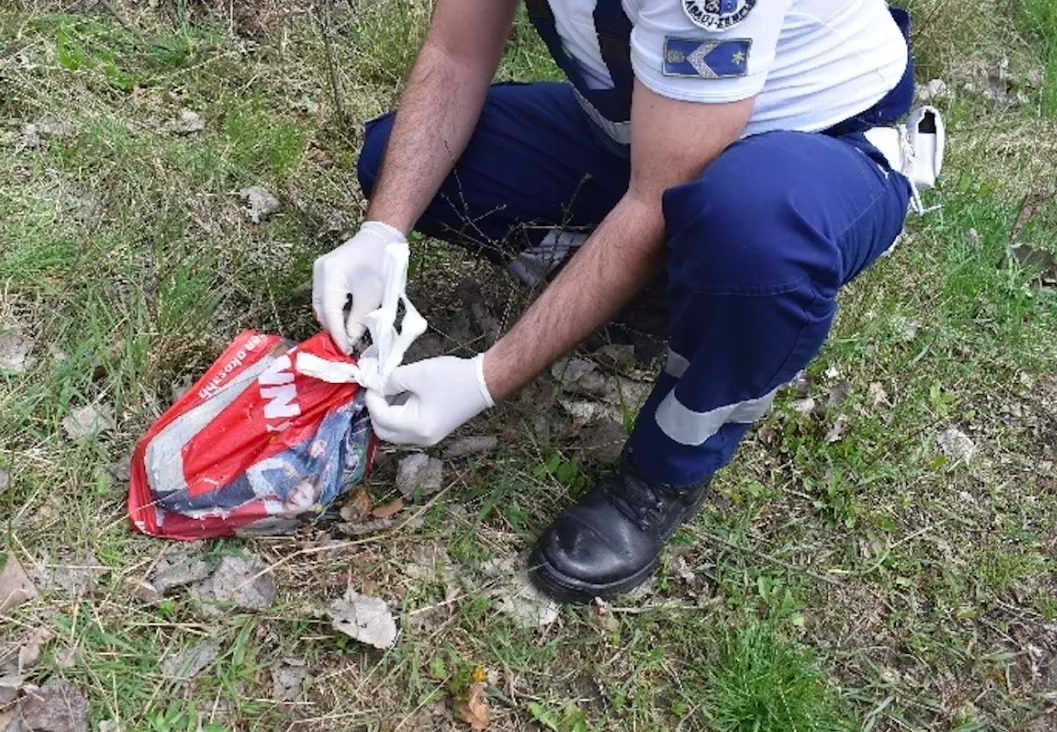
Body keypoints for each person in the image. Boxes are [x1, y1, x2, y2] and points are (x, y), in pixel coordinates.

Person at [311, 0, 945, 603]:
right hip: (659, 125)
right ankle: (661, 287)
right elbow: (455, 56)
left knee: (754, 240)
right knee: (403, 160)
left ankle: (665, 470)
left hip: (813, 148)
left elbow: (655, 197)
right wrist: (382, 235)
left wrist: (485, 378)